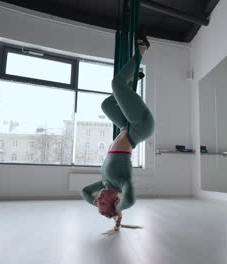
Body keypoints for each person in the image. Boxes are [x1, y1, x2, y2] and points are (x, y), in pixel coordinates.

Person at [81, 31, 154, 230]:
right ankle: (142, 49)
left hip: (126, 127)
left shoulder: (105, 182)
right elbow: (130, 200)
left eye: (98, 201)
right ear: (115, 200)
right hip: (140, 128)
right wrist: (119, 209)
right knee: (116, 84)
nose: (99, 198)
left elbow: (85, 191)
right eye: (103, 202)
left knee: (106, 104)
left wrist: (93, 202)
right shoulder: (123, 184)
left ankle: (131, 81)